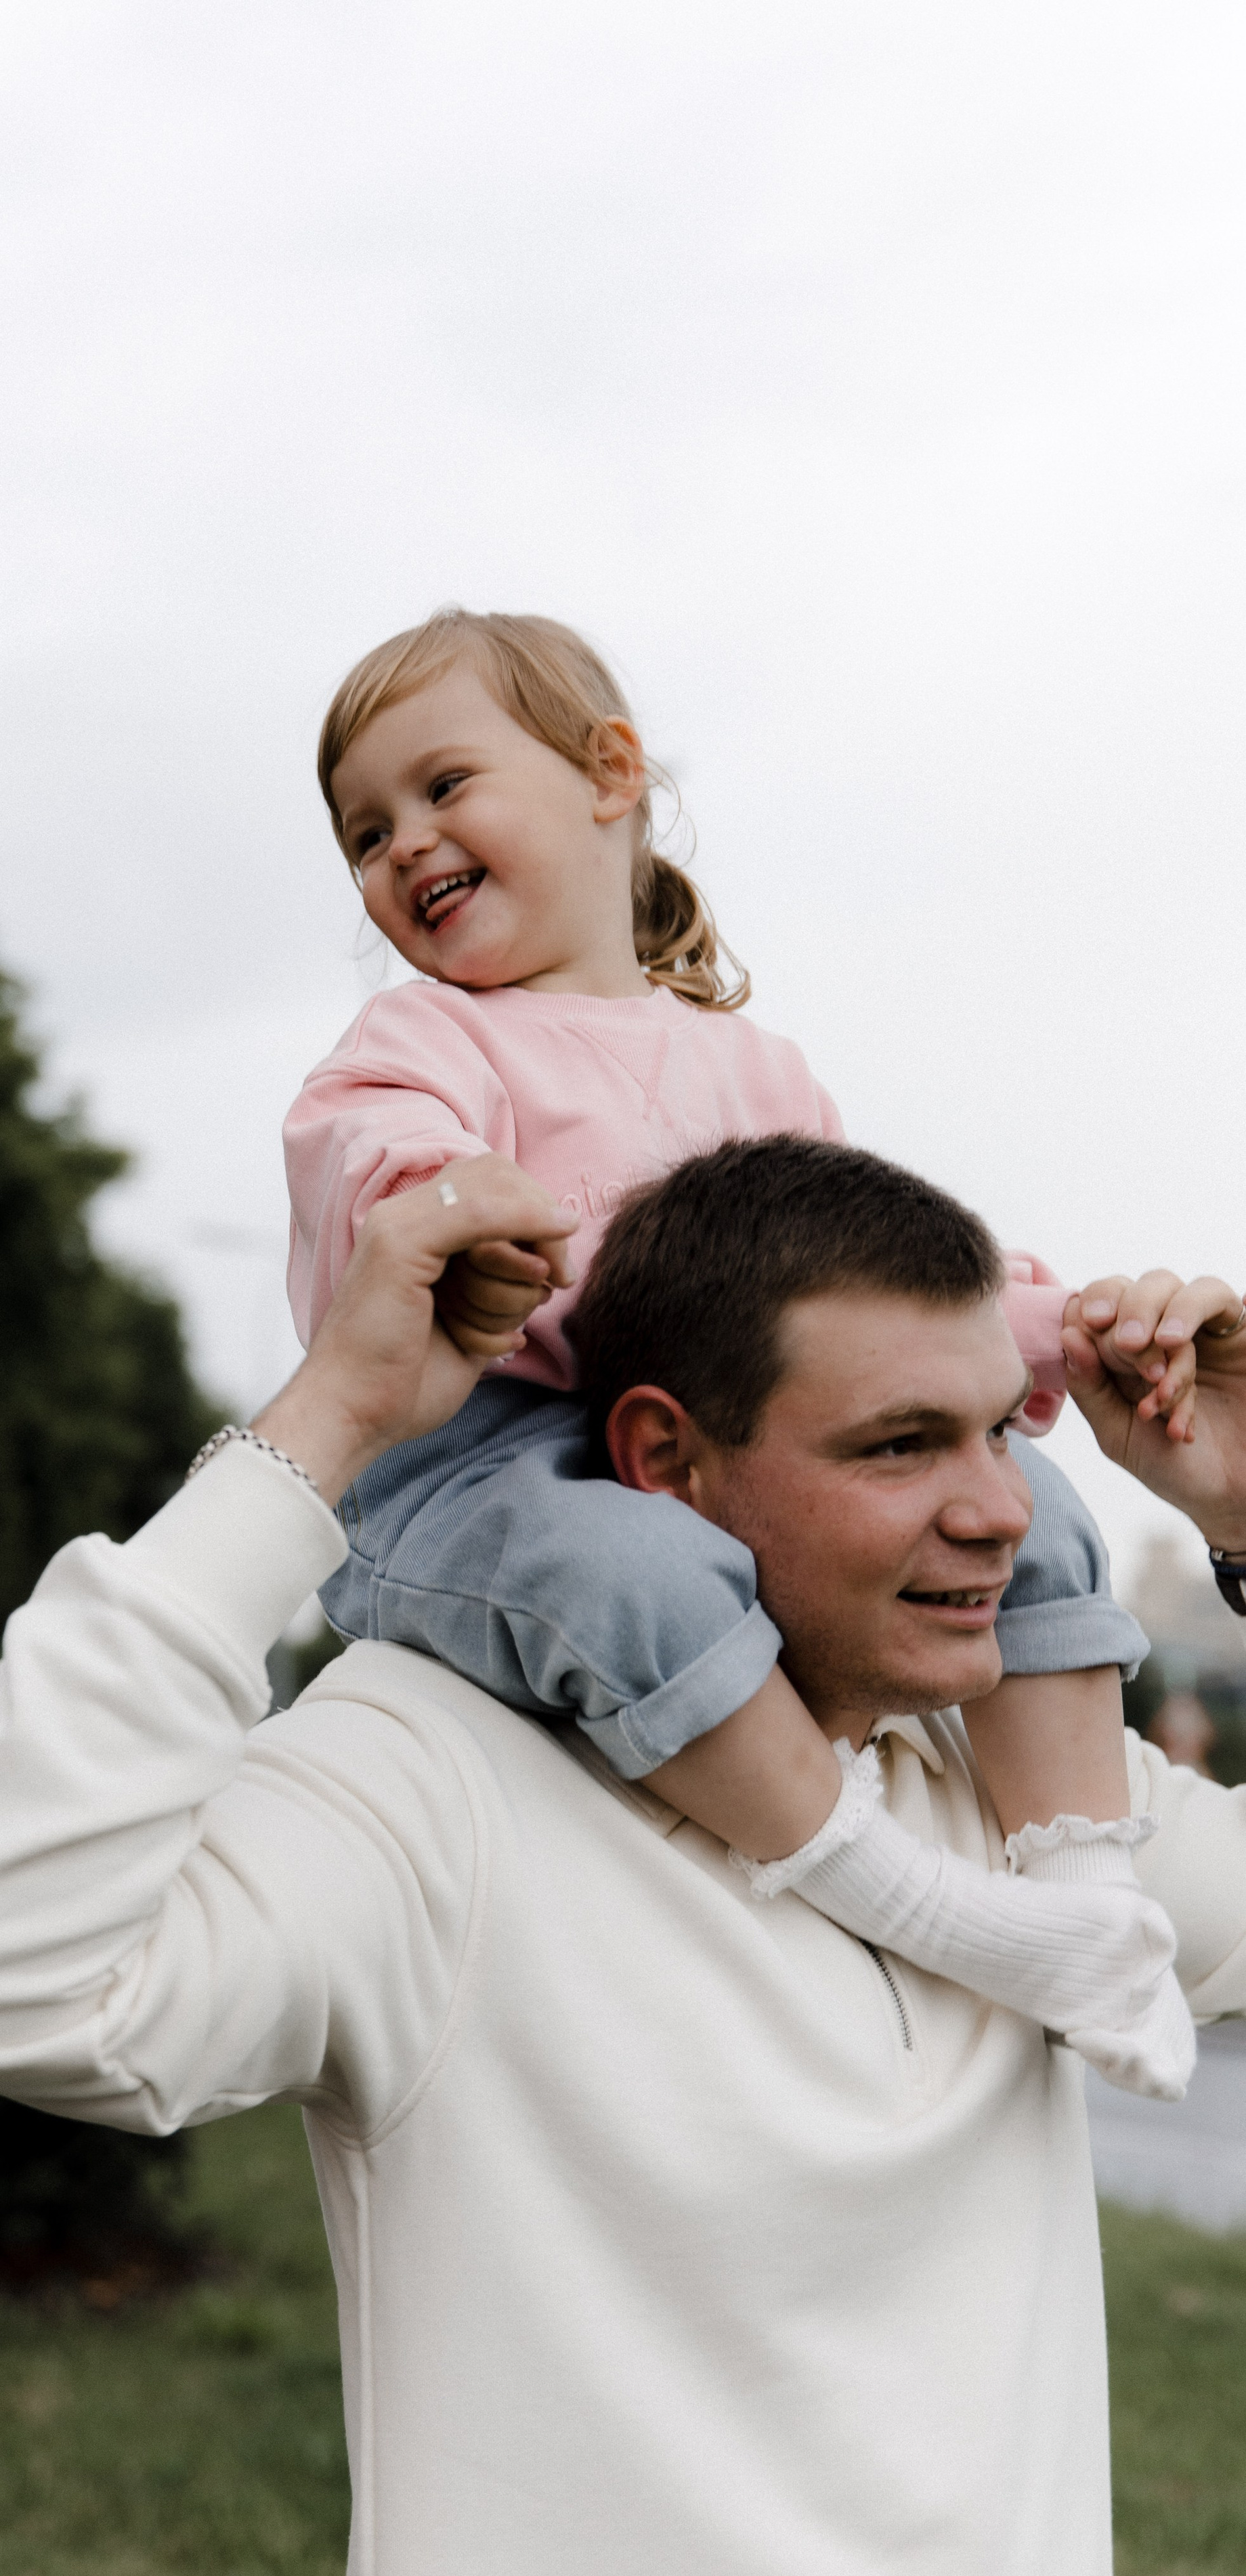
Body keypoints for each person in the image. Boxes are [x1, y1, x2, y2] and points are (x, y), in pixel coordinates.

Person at [0, 1142, 1246, 2576]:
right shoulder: (424, 1778)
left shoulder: (1010, 1790)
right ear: (661, 1461)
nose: (998, 1510)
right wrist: (328, 1422)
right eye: (897, 1445)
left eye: (999, 1431)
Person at [286, 607, 1193, 2091]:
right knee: (627, 1578)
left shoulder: (752, 1069)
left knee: (1023, 1502)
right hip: (487, 1467)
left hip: (716, 1452)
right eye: (364, 833)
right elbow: (371, 1159)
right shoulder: (419, 1048)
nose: (402, 845)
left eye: (441, 787)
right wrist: (447, 1213)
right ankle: (915, 1905)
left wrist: (1050, 1333)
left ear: (607, 772)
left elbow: (874, 1297)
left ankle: (1083, 1884)